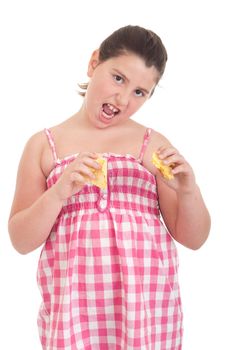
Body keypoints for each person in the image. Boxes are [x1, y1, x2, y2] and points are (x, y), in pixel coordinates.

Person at [8, 25, 210, 350]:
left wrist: (188, 190)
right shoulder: (44, 146)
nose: (123, 98)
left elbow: (194, 238)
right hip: (73, 315)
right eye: (118, 78)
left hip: (146, 315)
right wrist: (59, 192)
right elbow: (20, 239)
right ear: (93, 63)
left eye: (139, 92)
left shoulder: (152, 145)